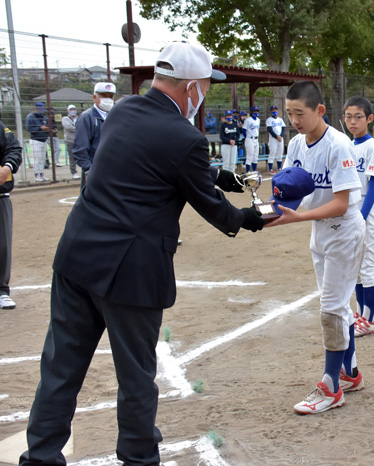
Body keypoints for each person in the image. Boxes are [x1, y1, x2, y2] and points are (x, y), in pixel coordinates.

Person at [19, 41, 266, 466]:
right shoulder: (186, 138)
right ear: (190, 86)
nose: (206, 91)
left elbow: (149, 154)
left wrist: (214, 172)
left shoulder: (123, 110)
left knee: (60, 369)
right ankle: (138, 458)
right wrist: (247, 218)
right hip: (130, 272)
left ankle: (40, 457)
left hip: (78, 256)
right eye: (205, 84)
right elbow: (213, 208)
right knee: (136, 377)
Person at [266, 81, 366, 414]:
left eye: (300, 113)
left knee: (331, 309)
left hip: (344, 231)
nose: (294, 120)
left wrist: (298, 217)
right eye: (289, 113)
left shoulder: (338, 145)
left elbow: (341, 203)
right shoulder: (296, 143)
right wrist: (266, 212)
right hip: (320, 231)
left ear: (320, 110)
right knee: (337, 305)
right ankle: (350, 373)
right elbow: (289, 188)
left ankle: (330, 387)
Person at [343, 96, 374, 337]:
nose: (353, 122)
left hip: (364, 208)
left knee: (367, 266)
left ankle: (370, 319)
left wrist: (362, 216)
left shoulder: (372, 147)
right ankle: (360, 314)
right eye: (348, 117)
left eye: (358, 117)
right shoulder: (348, 145)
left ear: (369, 119)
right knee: (356, 267)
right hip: (350, 209)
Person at [72, 82, 116, 188]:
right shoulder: (87, 117)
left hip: (114, 169)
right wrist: (88, 170)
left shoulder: (115, 116)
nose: (108, 99)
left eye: (110, 96)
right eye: (104, 96)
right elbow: (80, 147)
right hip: (95, 170)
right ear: (94, 97)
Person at [0, 120, 22, 310]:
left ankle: (1, 291)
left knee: (2, 244)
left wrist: (7, 167)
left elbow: (14, 148)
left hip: (0, 195)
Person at [24, 102, 49, 182]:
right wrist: (40, 128)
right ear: (35, 109)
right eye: (39, 109)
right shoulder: (30, 117)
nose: (41, 111)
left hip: (44, 139)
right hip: (35, 140)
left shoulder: (44, 118)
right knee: (37, 159)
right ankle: (36, 174)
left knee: (42, 159)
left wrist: (47, 129)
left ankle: (41, 174)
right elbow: (29, 129)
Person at [61, 104, 80, 179]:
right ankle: (74, 172)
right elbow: (68, 127)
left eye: (74, 109)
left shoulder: (79, 118)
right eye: (71, 109)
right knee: (72, 158)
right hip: (70, 141)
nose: (73, 111)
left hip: (80, 140)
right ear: (68, 111)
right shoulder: (65, 118)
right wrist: (80, 129)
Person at [265, 104, 286, 174]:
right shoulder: (269, 120)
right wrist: (277, 136)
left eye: (276, 110)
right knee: (272, 153)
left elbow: (283, 128)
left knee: (280, 153)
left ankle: (279, 168)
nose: (275, 111)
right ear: (271, 111)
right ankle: (270, 169)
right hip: (273, 139)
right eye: (273, 110)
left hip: (280, 138)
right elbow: (270, 129)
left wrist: (281, 136)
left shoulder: (280, 119)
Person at [242, 105, 261, 172]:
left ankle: (254, 171)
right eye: (254, 111)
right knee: (250, 156)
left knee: (255, 156)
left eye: (257, 111)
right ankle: (248, 172)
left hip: (256, 139)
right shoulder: (248, 120)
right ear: (251, 112)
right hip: (250, 139)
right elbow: (243, 130)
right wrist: (247, 137)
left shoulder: (258, 120)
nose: (256, 112)